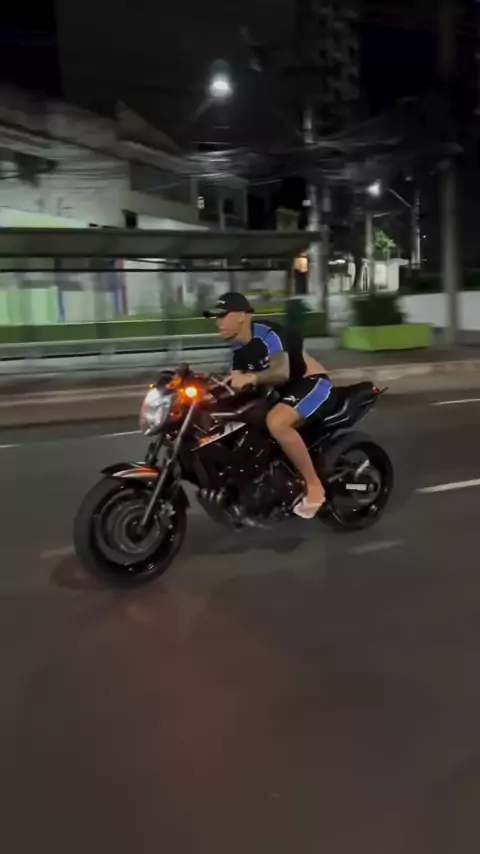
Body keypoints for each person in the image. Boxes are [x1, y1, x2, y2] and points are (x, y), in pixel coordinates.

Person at [203, 291, 333, 519]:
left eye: (223, 315)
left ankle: (314, 486)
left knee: (276, 422)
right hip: (283, 391)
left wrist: (251, 377)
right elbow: (235, 378)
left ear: (242, 316)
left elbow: (281, 372)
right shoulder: (237, 345)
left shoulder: (267, 334)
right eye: (216, 317)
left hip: (310, 383)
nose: (218, 322)